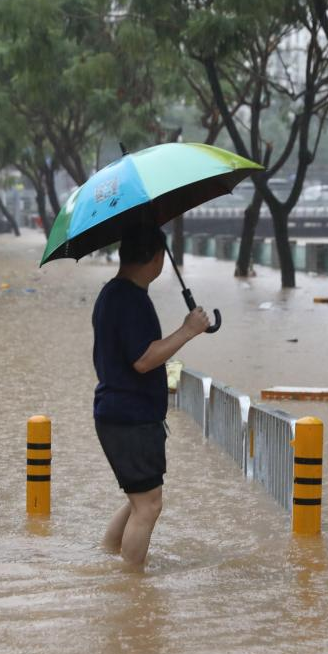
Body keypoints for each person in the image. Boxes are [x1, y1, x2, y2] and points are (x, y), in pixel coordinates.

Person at [93, 224, 210, 570]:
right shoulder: (130, 299)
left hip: (119, 413)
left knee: (139, 499)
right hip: (131, 417)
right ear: (157, 258)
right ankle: (131, 583)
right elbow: (143, 360)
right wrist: (188, 330)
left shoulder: (113, 293)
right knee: (148, 505)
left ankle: (108, 560)